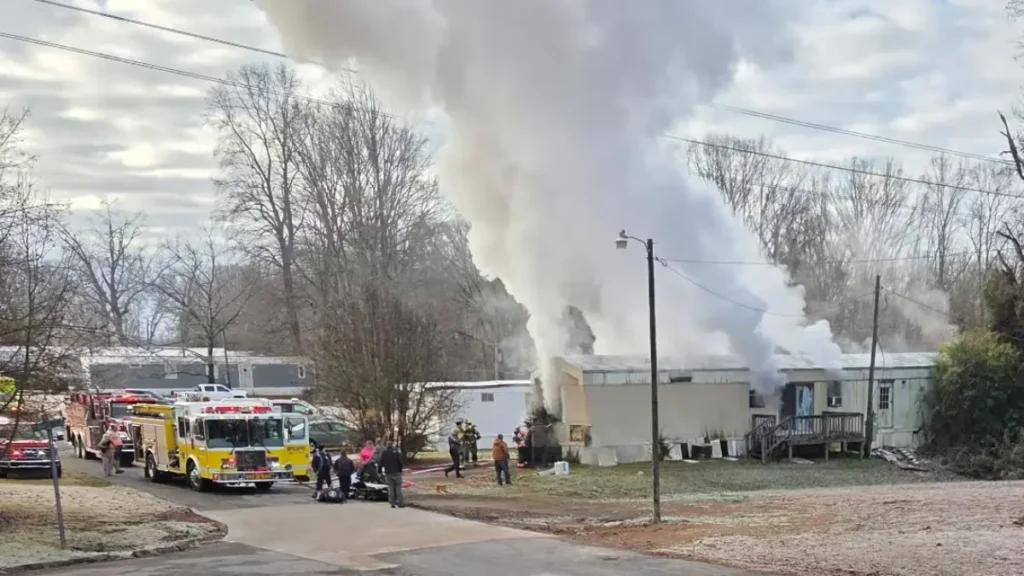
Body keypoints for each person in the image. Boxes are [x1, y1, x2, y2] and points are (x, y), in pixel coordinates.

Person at [380, 442, 405, 508]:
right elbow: (400, 462)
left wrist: (380, 470)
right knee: (398, 487)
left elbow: (381, 462)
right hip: (397, 472)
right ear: (392, 446)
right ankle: (400, 502)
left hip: (388, 472)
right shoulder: (396, 452)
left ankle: (392, 503)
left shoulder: (384, 453)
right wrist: (400, 470)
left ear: (386, 446)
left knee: (390, 487)